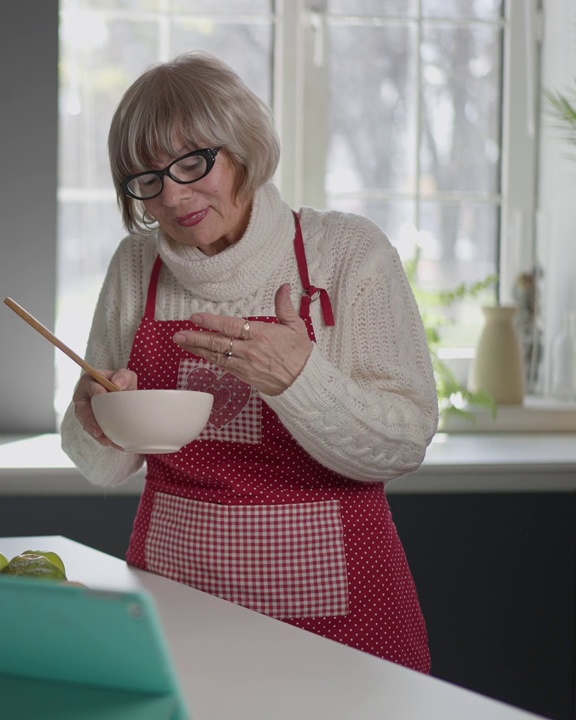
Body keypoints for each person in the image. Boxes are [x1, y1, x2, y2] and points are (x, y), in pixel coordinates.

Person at [59, 51, 439, 673]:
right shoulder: (136, 266)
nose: (175, 196)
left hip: (341, 612)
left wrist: (300, 379)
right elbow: (101, 465)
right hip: (174, 597)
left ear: (244, 147)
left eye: (192, 162)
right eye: (147, 180)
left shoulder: (346, 252)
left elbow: (405, 442)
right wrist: (96, 421)